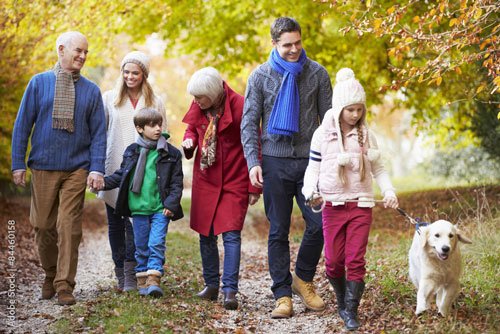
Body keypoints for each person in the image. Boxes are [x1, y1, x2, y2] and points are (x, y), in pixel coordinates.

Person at [241, 17, 333, 318]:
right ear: (274, 44)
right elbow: (249, 123)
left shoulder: (317, 74)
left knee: (319, 224)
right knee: (278, 230)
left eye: (298, 43)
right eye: (287, 45)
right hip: (274, 162)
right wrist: (254, 162)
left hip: (310, 163)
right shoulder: (260, 77)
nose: (294, 50)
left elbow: (329, 124)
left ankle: (303, 279)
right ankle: (282, 294)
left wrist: (328, 163)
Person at [11, 31, 107, 305]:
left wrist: (96, 168)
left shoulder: (91, 90)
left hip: (77, 168)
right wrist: (18, 162)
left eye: (86, 52)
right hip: (43, 165)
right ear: (61, 49)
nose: (83, 56)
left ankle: (65, 284)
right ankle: (50, 272)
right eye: (78, 50)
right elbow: (22, 125)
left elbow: (99, 134)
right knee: (42, 225)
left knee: (69, 226)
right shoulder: (39, 84)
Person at [302, 68, 399, 331]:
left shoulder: (367, 135)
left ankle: (351, 309)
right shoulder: (322, 134)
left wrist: (388, 191)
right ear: (339, 107)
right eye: (350, 109)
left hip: (361, 204)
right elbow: (313, 167)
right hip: (332, 206)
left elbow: (379, 169)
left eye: (359, 109)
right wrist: (309, 190)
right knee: (333, 262)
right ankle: (342, 299)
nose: (355, 115)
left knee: (355, 259)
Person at [182, 67, 260, 310]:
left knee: (231, 234)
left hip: (235, 178)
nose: (196, 102)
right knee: (206, 234)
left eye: (200, 98)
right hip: (206, 177)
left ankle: (230, 290)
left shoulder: (239, 105)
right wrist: (190, 142)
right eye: (194, 98)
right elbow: (191, 128)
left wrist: (252, 184)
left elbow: (253, 143)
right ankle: (211, 285)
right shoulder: (199, 103)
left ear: (215, 94)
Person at [98, 51, 167, 292]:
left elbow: (162, 138)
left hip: (143, 172)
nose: (129, 76)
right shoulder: (109, 98)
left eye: (135, 73)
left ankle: (132, 274)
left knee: (134, 224)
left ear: (144, 75)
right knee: (115, 224)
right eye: (126, 72)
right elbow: (100, 133)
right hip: (115, 164)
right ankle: (120, 273)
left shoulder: (155, 101)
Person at [98, 108, 183, 298]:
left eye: (159, 124)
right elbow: (122, 175)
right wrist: (103, 182)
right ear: (139, 128)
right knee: (141, 245)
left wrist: (170, 204)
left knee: (156, 243)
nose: (158, 129)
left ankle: (154, 279)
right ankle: (143, 282)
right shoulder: (132, 151)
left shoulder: (171, 153)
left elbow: (177, 183)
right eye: (152, 125)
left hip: (161, 209)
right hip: (138, 209)